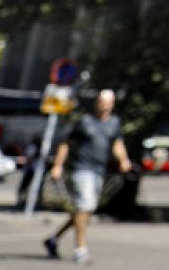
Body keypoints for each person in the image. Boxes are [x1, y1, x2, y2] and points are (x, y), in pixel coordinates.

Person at [44, 89, 131, 265]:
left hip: (99, 171)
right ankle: (80, 250)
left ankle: (54, 238)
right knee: (84, 207)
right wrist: (58, 166)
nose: (105, 105)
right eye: (102, 101)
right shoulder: (84, 121)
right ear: (97, 102)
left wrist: (124, 160)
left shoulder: (114, 123)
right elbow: (65, 144)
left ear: (112, 104)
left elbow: (117, 143)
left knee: (83, 211)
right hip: (81, 169)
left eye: (108, 102)